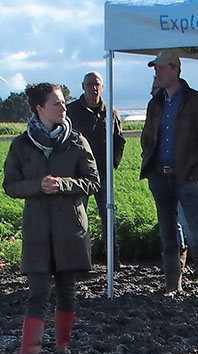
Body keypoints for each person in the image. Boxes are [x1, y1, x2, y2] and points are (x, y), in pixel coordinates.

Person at [3, 82, 100, 354]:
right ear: (39, 108)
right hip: (37, 231)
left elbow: (93, 181)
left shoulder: (76, 141)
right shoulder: (21, 145)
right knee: (38, 292)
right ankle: (29, 353)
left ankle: (63, 348)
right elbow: (10, 185)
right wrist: (37, 186)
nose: (63, 107)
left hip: (69, 227)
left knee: (67, 291)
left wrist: (63, 185)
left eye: (63, 102)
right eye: (56, 103)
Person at [140, 50, 198, 300]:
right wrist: (151, 165)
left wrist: (194, 172)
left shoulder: (196, 101)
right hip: (160, 176)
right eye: (156, 69)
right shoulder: (156, 103)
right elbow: (147, 137)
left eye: (161, 68)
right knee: (167, 233)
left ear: (175, 69)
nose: (157, 73)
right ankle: (172, 286)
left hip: (185, 177)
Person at [66, 71, 125, 265]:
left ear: (102, 87)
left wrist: (113, 164)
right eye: (90, 84)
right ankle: (80, 261)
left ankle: (112, 261)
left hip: (103, 174)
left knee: (109, 217)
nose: (94, 87)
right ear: (83, 87)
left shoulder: (111, 112)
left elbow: (119, 141)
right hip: (79, 175)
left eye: (97, 84)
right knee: (77, 219)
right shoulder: (71, 112)